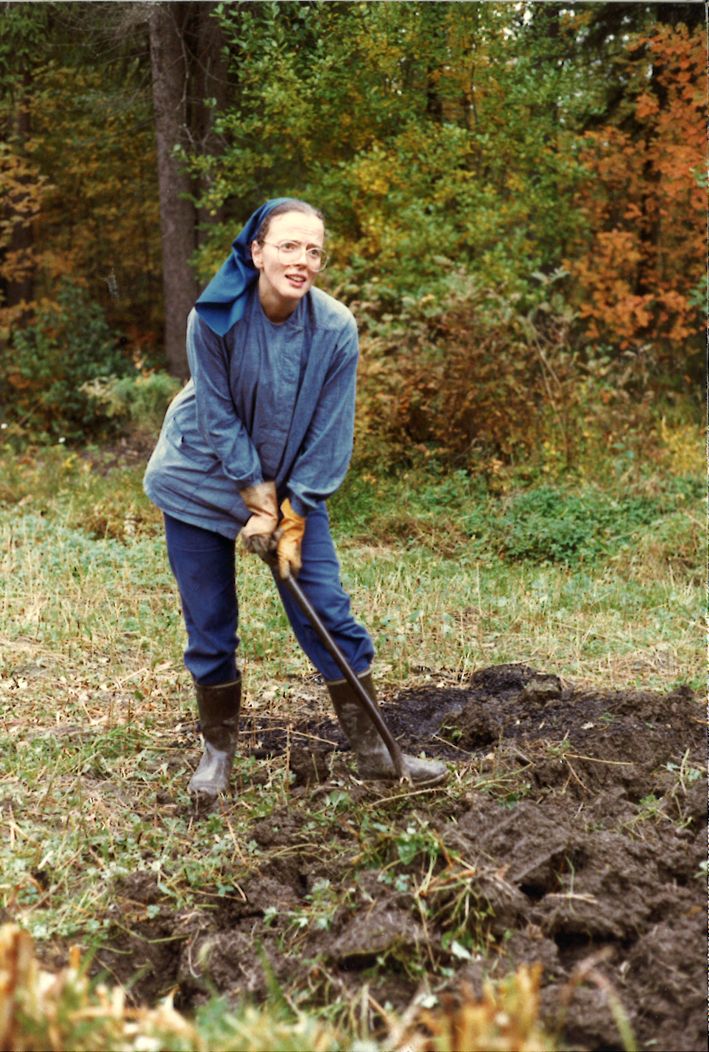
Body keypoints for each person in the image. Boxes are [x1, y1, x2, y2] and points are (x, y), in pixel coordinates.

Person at [144, 198, 447, 801]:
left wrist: (290, 511)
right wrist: (255, 497)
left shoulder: (335, 328)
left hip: (288, 488)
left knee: (326, 606)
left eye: (314, 250)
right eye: (288, 245)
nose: (302, 260)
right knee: (210, 623)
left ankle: (377, 752)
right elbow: (217, 413)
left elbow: (331, 432)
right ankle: (217, 755)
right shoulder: (213, 317)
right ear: (256, 251)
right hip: (199, 474)